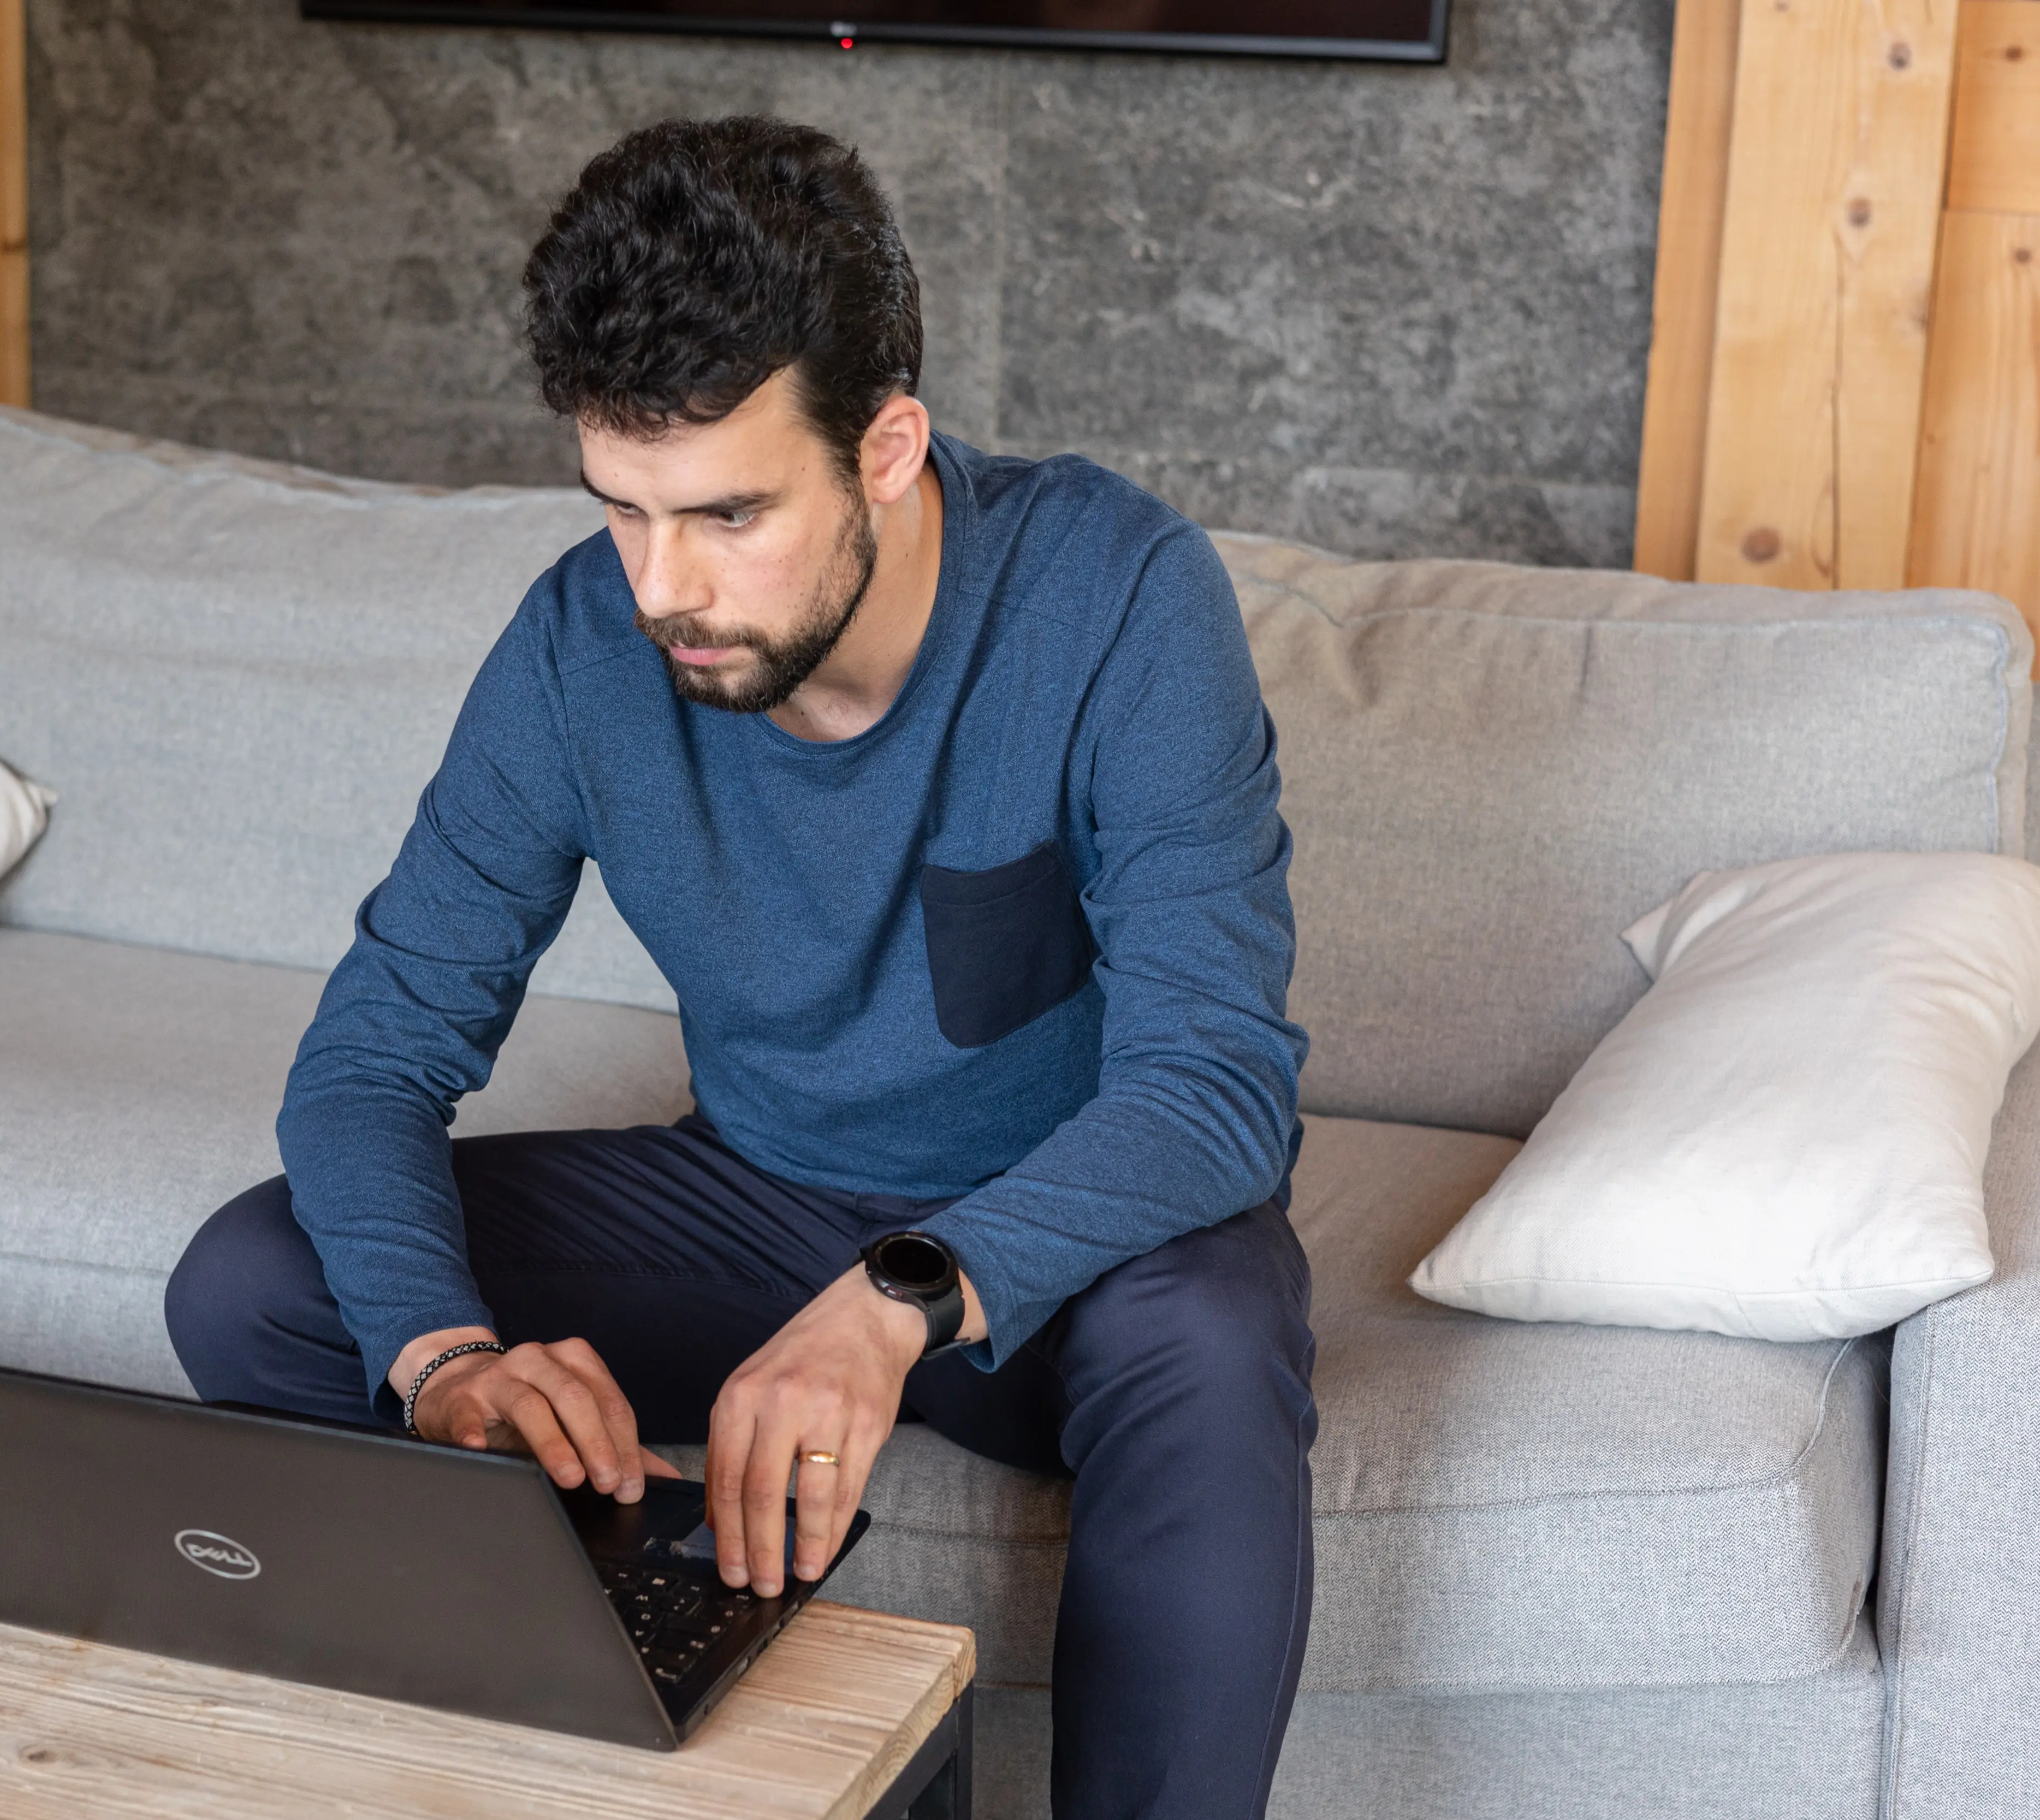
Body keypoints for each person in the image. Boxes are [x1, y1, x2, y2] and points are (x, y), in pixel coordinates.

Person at [164, 115, 1315, 1818]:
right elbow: (373, 1056)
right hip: (755, 1202)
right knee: (260, 1273)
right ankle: (597, 1694)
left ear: (890, 447)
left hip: (1066, 1249)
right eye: (620, 511)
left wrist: (890, 1304)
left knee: (1214, 1332)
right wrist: (443, 1358)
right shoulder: (580, 641)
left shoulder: (1117, 596)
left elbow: (1215, 1087)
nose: (664, 588)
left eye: (724, 514)